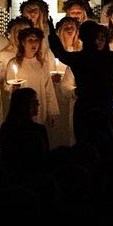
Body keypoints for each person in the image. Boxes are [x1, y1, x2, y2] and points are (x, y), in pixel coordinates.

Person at [2, 27, 59, 130]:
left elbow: (48, 89)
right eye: (30, 40)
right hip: (21, 108)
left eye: (36, 40)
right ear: (23, 43)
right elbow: (7, 86)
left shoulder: (43, 64)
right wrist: (13, 88)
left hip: (39, 106)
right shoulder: (14, 63)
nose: (34, 43)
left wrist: (51, 112)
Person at [48, 16, 80, 148]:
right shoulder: (51, 52)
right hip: (56, 95)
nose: (70, 30)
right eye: (66, 28)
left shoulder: (80, 51)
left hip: (74, 98)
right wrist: (52, 78)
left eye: (73, 28)